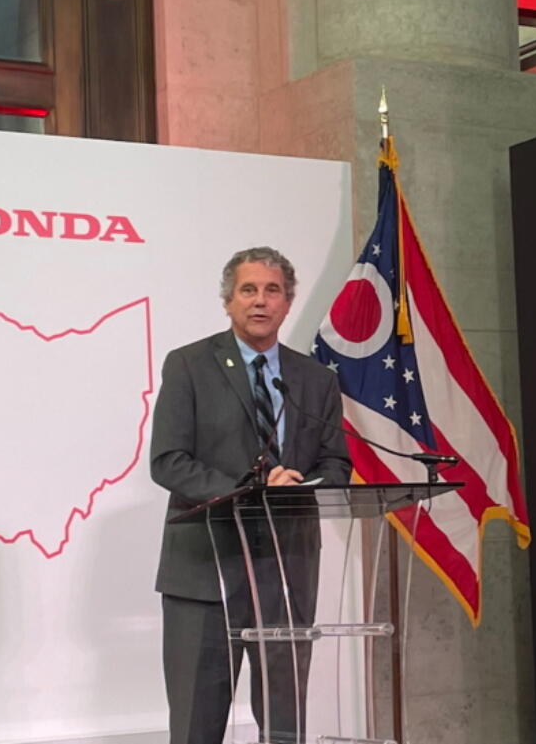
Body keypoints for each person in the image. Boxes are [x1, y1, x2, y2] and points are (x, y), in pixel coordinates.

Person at [150, 246, 351, 744]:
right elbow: (168, 460)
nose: (260, 301)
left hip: (286, 571)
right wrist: (251, 491)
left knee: (285, 727)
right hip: (204, 571)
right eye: (248, 290)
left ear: (287, 303)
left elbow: (336, 464)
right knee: (197, 724)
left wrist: (299, 487)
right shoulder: (189, 365)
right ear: (228, 301)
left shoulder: (315, 379)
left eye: (272, 290)